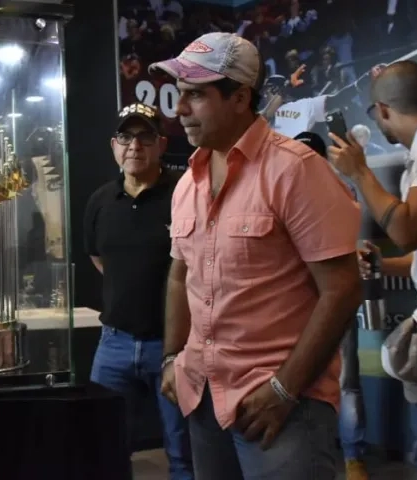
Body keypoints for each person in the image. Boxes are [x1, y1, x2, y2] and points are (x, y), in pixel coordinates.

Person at [151, 32, 362, 480]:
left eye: (195, 95)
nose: (179, 109)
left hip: (281, 406)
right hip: (203, 395)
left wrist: (284, 389)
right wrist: (172, 358)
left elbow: (342, 289)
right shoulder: (190, 181)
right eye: (180, 95)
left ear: (239, 97)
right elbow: (179, 274)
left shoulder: (296, 170)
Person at [328, 59, 417, 479]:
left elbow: (407, 230)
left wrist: (359, 173)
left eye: (375, 115)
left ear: (384, 110)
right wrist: (381, 264)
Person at [83, 102, 193, 479]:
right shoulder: (100, 201)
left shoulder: (183, 194)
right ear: (114, 145)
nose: (134, 146)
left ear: (161, 144)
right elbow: (99, 259)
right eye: (125, 137)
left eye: (145, 137)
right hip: (113, 343)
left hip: (173, 345)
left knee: (182, 450)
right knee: (103, 446)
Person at [294, 131, 369, 480]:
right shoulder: (282, 192)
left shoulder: (340, 192)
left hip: (334, 301)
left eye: (312, 156)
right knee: (302, 382)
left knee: (346, 381)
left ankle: (353, 458)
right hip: (295, 305)